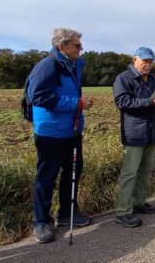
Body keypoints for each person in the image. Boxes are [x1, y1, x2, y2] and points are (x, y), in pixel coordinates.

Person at [27, 27, 93, 243]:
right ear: (61, 46)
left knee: (72, 173)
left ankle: (67, 213)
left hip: (71, 129)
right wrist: (76, 103)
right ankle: (41, 222)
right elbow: (38, 96)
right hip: (51, 131)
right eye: (76, 45)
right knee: (46, 177)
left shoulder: (73, 66)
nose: (81, 48)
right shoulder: (48, 65)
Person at [112, 47, 155, 228]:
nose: (148, 65)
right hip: (134, 132)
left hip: (152, 131)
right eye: (145, 61)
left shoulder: (153, 80)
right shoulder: (123, 78)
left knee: (145, 170)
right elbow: (123, 102)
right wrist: (150, 102)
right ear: (134, 59)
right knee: (130, 173)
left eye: (151, 62)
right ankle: (123, 211)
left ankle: (139, 202)